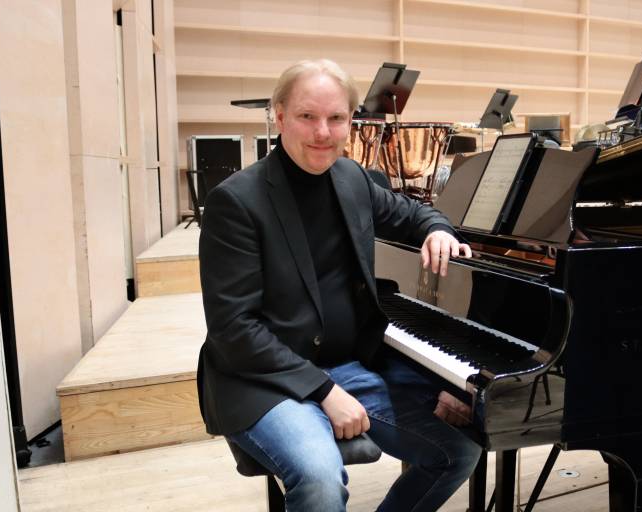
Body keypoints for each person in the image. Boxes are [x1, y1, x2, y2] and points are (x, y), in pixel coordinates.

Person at [196, 58, 482, 511]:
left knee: (456, 452)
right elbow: (234, 330)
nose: (322, 132)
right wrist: (326, 392)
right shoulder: (236, 202)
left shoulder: (351, 179)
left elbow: (413, 213)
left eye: (336, 118)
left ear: (351, 122)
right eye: (307, 116)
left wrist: (437, 229)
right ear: (280, 116)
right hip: (263, 379)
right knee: (320, 479)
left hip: (344, 365)